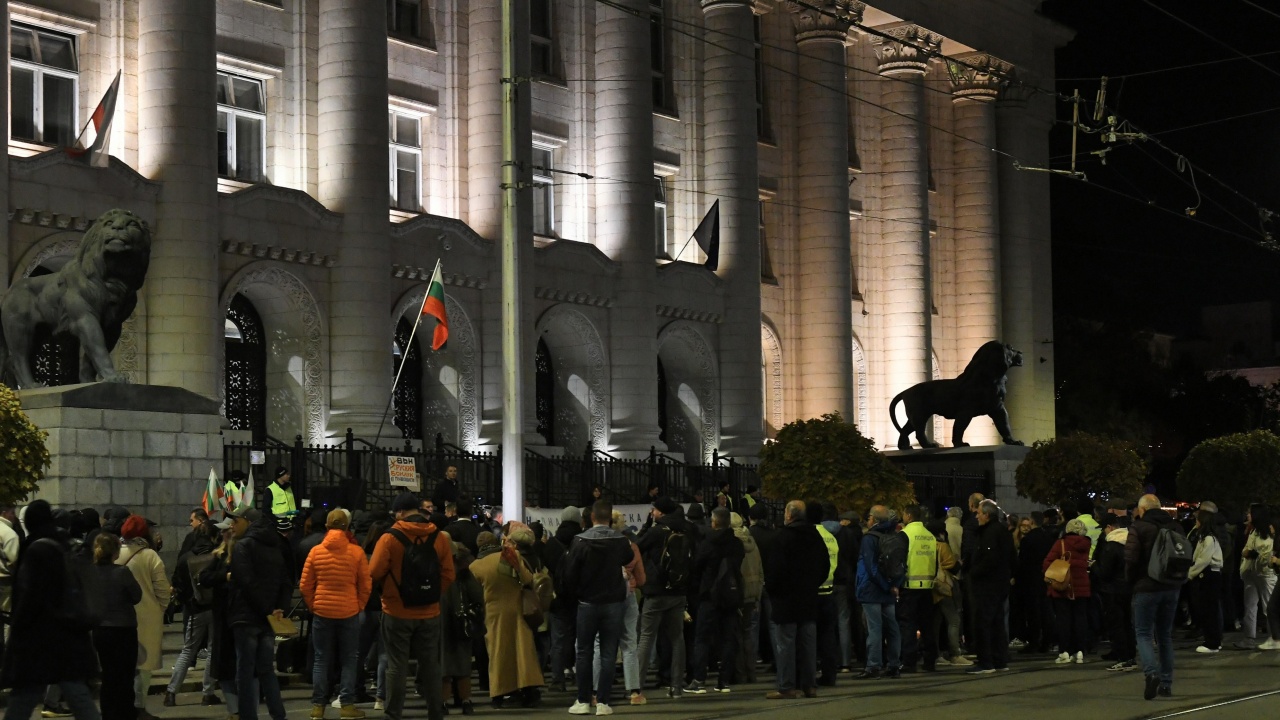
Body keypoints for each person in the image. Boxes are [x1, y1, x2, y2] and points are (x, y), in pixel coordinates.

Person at [0, 501, 101, 720]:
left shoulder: (37, 547)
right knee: (77, 693)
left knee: (24, 695)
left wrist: (18, 629)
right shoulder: (65, 543)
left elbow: (30, 595)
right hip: (68, 633)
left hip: (39, 637)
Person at [371, 493, 455, 720]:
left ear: (399, 513)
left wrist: (390, 594)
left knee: (397, 665)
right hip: (430, 612)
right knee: (430, 665)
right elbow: (448, 573)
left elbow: (375, 572)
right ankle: (435, 712)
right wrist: (432, 595)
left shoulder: (389, 538)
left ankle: (394, 713)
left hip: (396, 611)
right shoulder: (439, 537)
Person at [562, 501, 634, 714]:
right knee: (609, 652)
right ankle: (603, 702)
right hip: (613, 602)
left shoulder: (580, 540)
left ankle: (583, 700)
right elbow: (628, 557)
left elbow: (570, 573)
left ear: (591, 517)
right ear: (609, 519)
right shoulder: (620, 541)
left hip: (587, 602)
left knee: (584, 651)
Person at [302, 509, 372, 720]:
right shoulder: (356, 552)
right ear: (347, 527)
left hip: (322, 611)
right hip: (349, 611)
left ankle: (317, 707)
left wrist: (314, 605)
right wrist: (359, 604)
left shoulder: (316, 552)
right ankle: (347, 705)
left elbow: (305, 585)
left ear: (326, 527)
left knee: (321, 660)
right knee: (349, 659)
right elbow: (366, 584)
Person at [228, 507, 293, 720]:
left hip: (247, 616)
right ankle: (278, 714)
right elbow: (285, 581)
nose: (231, 525)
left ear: (247, 521)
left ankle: (248, 716)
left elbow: (246, 581)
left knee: (245, 672)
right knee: (266, 669)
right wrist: (278, 610)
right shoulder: (275, 546)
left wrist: (267, 609)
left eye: (235, 521)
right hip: (269, 619)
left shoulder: (243, 546)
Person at [471, 523, 544, 708]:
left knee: (499, 653)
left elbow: (474, 594)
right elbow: (528, 579)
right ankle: (529, 691)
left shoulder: (475, 567)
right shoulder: (511, 555)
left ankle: (503, 693)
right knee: (522, 651)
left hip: (493, 615)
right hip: (517, 609)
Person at [762, 500, 828, 699]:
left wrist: (773, 591)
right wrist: (811, 585)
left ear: (789, 515)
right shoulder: (815, 537)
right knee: (808, 644)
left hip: (785, 600)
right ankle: (810, 685)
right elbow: (824, 566)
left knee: (785, 644)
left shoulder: (781, 537)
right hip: (808, 597)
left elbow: (774, 571)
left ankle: (786, 686)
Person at [635, 497, 695, 699]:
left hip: (656, 591)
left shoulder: (655, 532)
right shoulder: (685, 530)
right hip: (678, 590)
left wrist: (645, 527)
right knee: (677, 638)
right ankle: (676, 687)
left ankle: (638, 687)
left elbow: (635, 548)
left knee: (646, 637)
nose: (652, 512)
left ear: (661, 512)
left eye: (654, 510)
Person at [1125, 494, 1182, 700]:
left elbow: (1130, 558)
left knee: (1143, 633)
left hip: (1146, 587)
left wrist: (1131, 581)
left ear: (1142, 510)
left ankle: (1151, 673)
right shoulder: (1176, 527)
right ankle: (1166, 684)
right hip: (1171, 586)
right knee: (1164, 635)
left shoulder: (1139, 528)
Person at [687, 506, 745, 694]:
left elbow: (696, 567)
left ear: (713, 522)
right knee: (729, 638)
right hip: (730, 594)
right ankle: (724, 681)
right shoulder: (736, 544)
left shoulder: (707, 543)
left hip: (709, 596)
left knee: (702, 638)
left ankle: (699, 680)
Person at [165, 512, 221, 707]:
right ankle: (208, 692)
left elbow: (179, 585)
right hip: (215, 608)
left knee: (188, 649)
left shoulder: (185, 558)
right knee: (213, 650)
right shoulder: (217, 556)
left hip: (194, 608)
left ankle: (171, 692)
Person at [117, 515, 169, 720]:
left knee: (123, 665)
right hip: (147, 616)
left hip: (120, 617)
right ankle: (138, 706)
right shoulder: (150, 555)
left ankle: (123, 705)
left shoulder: (114, 553)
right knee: (143, 665)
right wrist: (160, 608)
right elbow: (162, 588)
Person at [592, 510, 646, 705]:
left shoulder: (595, 545)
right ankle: (634, 691)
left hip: (603, 598)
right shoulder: (631, 547)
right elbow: (641, 579)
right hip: (627, 597)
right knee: (629, 643)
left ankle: (596, 692)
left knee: (600, 644)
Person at [92, 533, 143, 720]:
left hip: (100, 629)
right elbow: (136, 596)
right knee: (125, 674)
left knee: (108, 675)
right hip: (123, 628)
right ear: (114, 551)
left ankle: (108, 713)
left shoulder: (90, 572)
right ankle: (125, 712)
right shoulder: (121, 572)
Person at [199, 519, 242, 718]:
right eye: (223, 532)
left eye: (228, 531)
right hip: (223, 619)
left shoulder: (244, 554)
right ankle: (235, 709)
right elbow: (204, 578)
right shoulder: (220, 556)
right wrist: (224, 577)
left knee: (243, 666)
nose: (225, 534)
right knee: (225, 667)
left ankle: (242, 707)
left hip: (241, 618)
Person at [966, 500, 1014, 674]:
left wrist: (974, 572)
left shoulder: (990, 532)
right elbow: (1011, 556)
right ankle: (999, 659)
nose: (976, 515)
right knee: (997, 622)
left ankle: (986, 662)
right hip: (999, 583)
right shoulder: (1002, 530)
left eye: (979, 512)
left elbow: (989, 558)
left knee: (983, 622)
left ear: (986, 514)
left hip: (987, 584)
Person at [855, 505, 902, 680]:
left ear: (874, 519)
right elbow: (900, 565)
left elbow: (870, 566)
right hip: (889, 589)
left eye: (868, 517)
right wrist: (893, 585)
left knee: (874, 628)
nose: (867, 520)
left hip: (871, 589)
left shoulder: (869, 538)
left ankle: (873, 666)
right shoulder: (894, 536)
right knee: (892, 628)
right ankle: (894, 665)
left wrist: (883, 585)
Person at [441, 542, 483, 715]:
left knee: (443, 664)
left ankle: (442, 703)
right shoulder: (465, 573)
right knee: (463, 663)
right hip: (462, 622)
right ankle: (466, 701)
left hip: (439, 621)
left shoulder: (437, 570)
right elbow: (478, 596)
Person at [1044, 518, 1092, 665]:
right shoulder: (1086, 544)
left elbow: (1047, 562)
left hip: (1063, 587)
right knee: (1080, 618)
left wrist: (1050, 578)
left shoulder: (1061, 543)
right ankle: (1080, 652)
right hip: (1082, 586)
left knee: (1063, 619)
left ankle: (1064, 651)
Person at [898, 504, 938, 673]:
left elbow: (900, 561)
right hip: (928, 587)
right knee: (928, 625)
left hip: (909, 586)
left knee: (908, 625)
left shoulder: (905, 534)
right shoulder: (930, 536)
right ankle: (930, 661)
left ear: (908, 516)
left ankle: (909, 661)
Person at [548, 506, 584, 692]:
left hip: (558, 599)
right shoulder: (583, 541)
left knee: (558, 640)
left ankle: (557, 679)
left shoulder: (552, 543)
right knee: (582, 640)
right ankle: (582, 678)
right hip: (581, 598)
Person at [1095, 513, 1136, 671]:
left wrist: (1093, 566)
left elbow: (1104, 573)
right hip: (1127, 588)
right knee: (1127, 623)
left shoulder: (1111, 545)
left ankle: (1123, 657)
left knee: (1116, 625)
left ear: (1110, 527)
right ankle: (1130, 656)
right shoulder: (1130, 541)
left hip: (1112, 591)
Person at [1014, 513, 1054, 654]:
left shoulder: (1028, 540)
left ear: (1031, 522)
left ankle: (1034, 641)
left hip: (1030, 579)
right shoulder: (1047, 537)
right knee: (1045, 611)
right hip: (1045, 577)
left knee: (1033, 613)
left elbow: (1022, 562)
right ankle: (1047, 641)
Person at [1188, 505, 1226, 654]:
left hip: (1210, 575)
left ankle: (1212, 643)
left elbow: (1202, 560)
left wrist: (1189, 574)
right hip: (1209, 575)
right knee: (1209, 609)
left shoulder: (1208, 539)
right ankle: (1213, 640)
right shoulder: (1206, 538)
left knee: (1209, 609)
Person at [731, 512, 763, 684]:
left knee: (737, 635)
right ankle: (752, 672)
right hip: (752, 595)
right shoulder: (752, 542)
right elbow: (760, 570)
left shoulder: (733, 544)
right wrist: (757, 595)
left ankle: (740, 674)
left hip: (739, 595)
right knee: (749, 635)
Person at [1238, 503, 1275, 649]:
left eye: (1250, 513)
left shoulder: (1269, 532)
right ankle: (1249, 638)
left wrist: (1251, 554)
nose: (1247, 515)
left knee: (1269, 607)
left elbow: (1264, 556)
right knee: (1250, 606)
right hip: (1251, 572)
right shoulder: (1254, 531)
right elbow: (1246, 551)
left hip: (1265, 573)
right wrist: (1251, 553)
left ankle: (1274, 637)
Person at [0, 505, 22, 661]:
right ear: (4, 513)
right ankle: (8, 654)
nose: (14, 516)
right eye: (12, 513)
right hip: (5, 581)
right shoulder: (10, 534)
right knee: (7, 618)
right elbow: (14, 560)